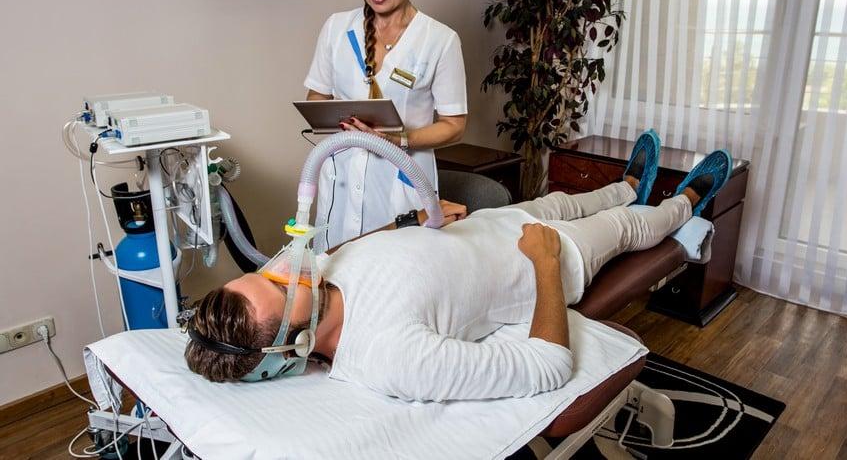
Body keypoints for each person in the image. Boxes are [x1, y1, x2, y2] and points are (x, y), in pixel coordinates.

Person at [185, 131, 733, 402]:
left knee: (569, 199)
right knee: (628, 228)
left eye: (268, 271)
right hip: (544, 258)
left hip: (496, 223)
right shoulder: (391, 358)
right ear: (295, 344)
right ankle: (684, 203)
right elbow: (546, 367)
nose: (287, 268)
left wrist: (409, 220)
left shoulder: (319, 275)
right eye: (279, 287)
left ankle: (627, 185)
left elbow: (368, 247)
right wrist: (545, 263)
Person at [303, 0, 468, 252]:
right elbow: (316, 96)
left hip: (402, 181)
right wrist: (344, 123)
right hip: (341, 176)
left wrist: (399, 139)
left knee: (397, 267)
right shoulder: (337, 28)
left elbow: (454, 126)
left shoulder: (440, 40)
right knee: (333, 267)